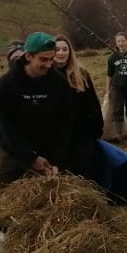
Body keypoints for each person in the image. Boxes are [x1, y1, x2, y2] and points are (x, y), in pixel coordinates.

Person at [0, 32, 63, 196]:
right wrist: (31, 157)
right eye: (43, 59)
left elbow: (64, 122)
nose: (49, 65)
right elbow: (5, 128)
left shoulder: (58, 81)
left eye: (52, 59)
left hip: (47, 148)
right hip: (12, 148)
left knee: (51, 195)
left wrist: (56, 159)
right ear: (28, 56)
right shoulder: (5, 85)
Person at [48, 35, 105, 180]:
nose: (61, 53)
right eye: (57, 49)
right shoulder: (46, 76)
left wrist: (96, 129)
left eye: (65, 49)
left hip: (82, 134)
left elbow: (93, 103)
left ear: (70, 51)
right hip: (57, 136)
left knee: (84, 172)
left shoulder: (81, 74)